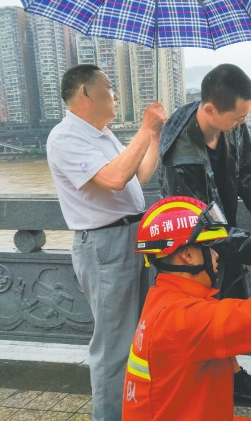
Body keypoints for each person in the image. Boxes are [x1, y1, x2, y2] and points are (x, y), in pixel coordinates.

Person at [122, 196, 251, 420]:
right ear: (187, 255)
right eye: (210, 247)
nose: (217, 255)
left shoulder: (163, 298)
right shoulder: (183, 319)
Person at [158, 63, 251, 400]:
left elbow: (247, 173)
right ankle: (221, 379)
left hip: (225, 232)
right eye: (237, 118)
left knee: (227, 305)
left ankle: (228, 374)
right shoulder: (181, 154)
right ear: (209, 109)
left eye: (245, 116)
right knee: (209, 312)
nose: (242, 123)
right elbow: (205, 226)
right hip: (193, 246)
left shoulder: (232, 123)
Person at [46, 64, 167, 420]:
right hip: (105, 246)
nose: (115, 94)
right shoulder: (65, 137)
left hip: (133, 237)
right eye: (109, 87)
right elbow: (114, 178)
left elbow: (138, 175)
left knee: (140, 337)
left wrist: (154, 136)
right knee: (114, 347)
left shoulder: (102, 134)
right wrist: (144, 128)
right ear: (85, 91)